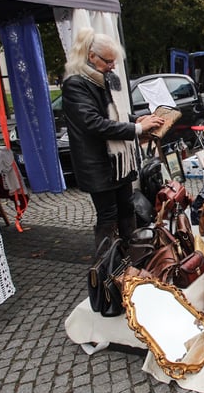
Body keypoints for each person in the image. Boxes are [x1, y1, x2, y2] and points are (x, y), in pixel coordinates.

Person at [62, 28, 165, 251]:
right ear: (91, 57)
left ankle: (132, 254)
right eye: (108, 61)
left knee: (127, 208)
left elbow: (113, 115)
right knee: (108, 215)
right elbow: (93, 123)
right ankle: (106, 266)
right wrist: (137, 128)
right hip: (97, 164)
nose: (112, 66)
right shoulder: (75, 85)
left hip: (118, 163)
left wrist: (138, 119)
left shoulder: (100, 80)